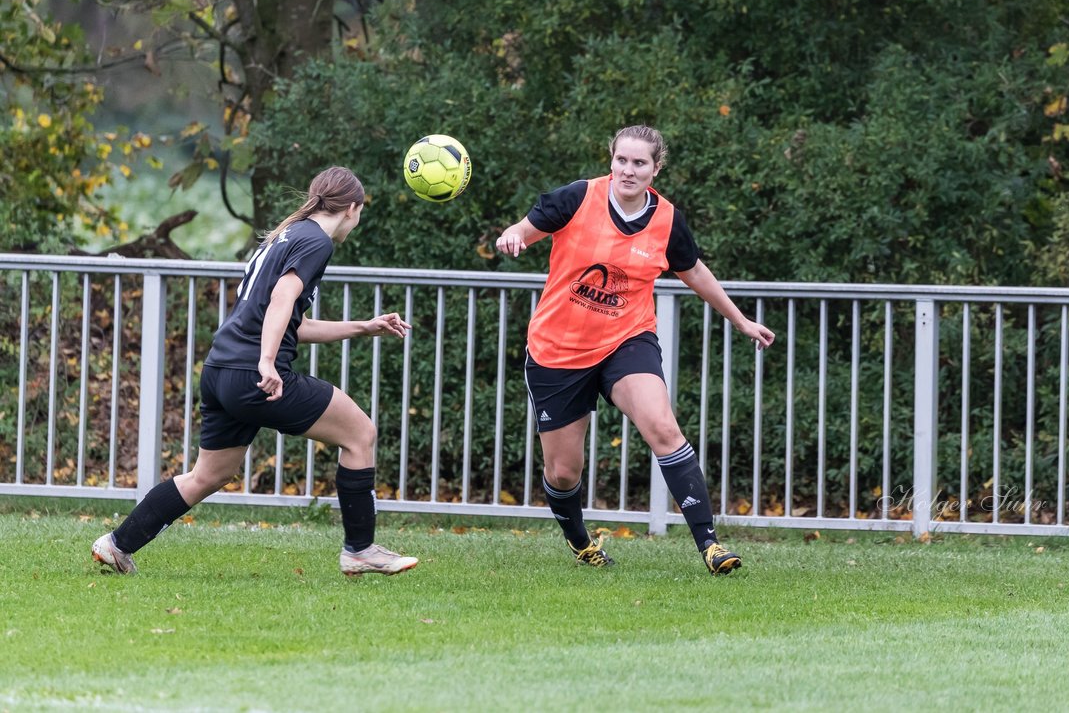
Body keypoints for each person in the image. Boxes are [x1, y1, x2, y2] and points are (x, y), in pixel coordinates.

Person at [92, 166, 418, 577]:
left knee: (208, 475)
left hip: (221, 370)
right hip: (253, 373)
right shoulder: (317, 240)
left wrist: (364, 326)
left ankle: (117, 544)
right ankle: (360, 550)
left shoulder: (287, 236)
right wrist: (266, 362)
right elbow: (282, 300)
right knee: (360, 434)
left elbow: (285, 322)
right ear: (353, 208)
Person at [496, 125, 775, 575]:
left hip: (627, 340)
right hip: (558, 350)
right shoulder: (576, 198)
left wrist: (740, 320)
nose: (628, 170)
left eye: (639, 163)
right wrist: (511, 236)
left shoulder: (667, 220)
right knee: (564, 472)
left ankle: (710, 545)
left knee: (663, 426)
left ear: (656, 168)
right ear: (611, 161)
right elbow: (522, 232)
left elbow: (695, 271)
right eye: (621, 160)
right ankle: (581, 541)